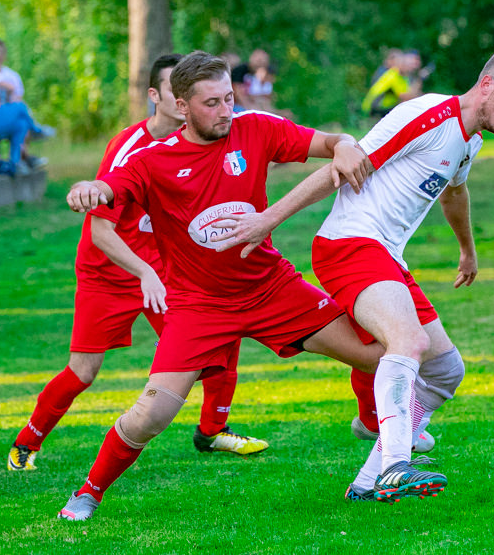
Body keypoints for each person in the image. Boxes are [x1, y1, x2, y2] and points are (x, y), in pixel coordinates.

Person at [210, 44, 494, 502]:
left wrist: (468, 251)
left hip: (386, 256)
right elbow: (343, 165)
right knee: (409, 342)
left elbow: (454, 194)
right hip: (350, 244)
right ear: (487, 84)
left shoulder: (470, 139)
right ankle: (395, 464)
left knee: (447, 370)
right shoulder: (429, 114)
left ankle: (369, 479)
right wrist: (268, 219)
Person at [58, 51, 384, 521]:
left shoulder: (256, 128)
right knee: (150, 415)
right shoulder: (152, 160)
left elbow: (330, 142)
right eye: (212, 103)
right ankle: (87, 493)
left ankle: (373, 426)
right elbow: (107, 190)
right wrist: (86, 189)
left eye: (230, 98)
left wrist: (348, 142)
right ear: (181, 106)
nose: (226, 111)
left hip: (270, 287)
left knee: (377, 354)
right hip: (198, 306)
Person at [6, 54, 269, 473]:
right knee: (84, 370)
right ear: (160, 97)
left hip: (163, 271)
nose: (186, 100)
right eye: (175, 91)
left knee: (220, 336)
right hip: (109, 272)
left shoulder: (207, 140)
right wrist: (145, 271)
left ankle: (212, 431)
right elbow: (100, 232)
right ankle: (26, 442)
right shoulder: (130, 149)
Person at [0, 41, 53, 176]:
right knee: (19, 107)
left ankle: (15, 163)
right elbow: (11, 88)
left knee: (20, 124)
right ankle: (37, 130)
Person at [360, 49, 424, 119]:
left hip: (384, 108)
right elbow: (406, 97)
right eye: (405, 64)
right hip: (375, 108)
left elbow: (411, 94)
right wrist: (419, 79)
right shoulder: (392, 74)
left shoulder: (403, 77)